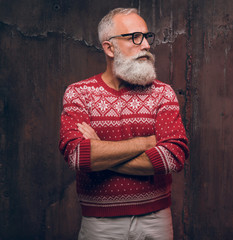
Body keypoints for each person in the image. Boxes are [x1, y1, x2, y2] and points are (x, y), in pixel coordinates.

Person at [59, 7, 189, 240]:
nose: (147, 46)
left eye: (147, 37)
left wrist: (99, 151)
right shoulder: (79, 93)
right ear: (109, 48)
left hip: (155, 219)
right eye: (135, 38)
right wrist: (145, 142)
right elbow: (77, 155)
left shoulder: (163, 93)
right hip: (99, 223)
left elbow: (172, 156)